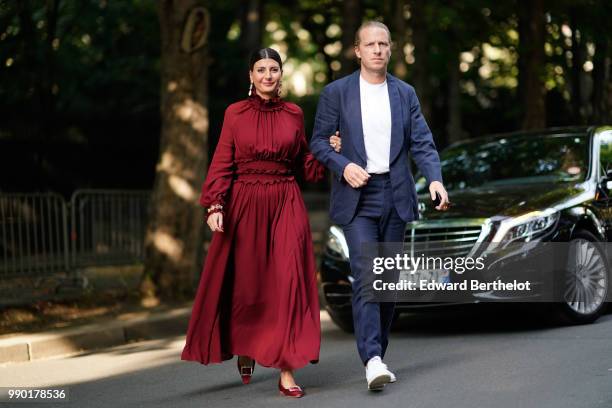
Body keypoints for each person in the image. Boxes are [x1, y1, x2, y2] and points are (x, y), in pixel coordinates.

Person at [181, 47, 341, 398]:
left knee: (288, 281)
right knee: (248, 285)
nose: (268, 75)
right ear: (250, 76)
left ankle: (286, 369)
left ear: (280, 75)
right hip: (245, 204)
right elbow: (223, 159)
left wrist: (328, 150)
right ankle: (247, 344)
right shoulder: (235, 113)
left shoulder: (295, 114)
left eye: (273, 69)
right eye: (261, 69)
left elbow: (304, 165)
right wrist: (215, 205)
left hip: (285, 200)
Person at [310, 21, 450, 391]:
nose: (377, 50)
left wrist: (434, 178)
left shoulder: (405, 93)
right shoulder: (336, 93)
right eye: (370, 44)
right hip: (358, 197)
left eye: (383, 44)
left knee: (388, 282)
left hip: (396, 194)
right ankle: (371, 359)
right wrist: (344, 166)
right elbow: (319, 143)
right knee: (368, 276)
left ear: (390, 49)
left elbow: (422, 141)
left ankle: (378, 355)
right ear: (357, 50)